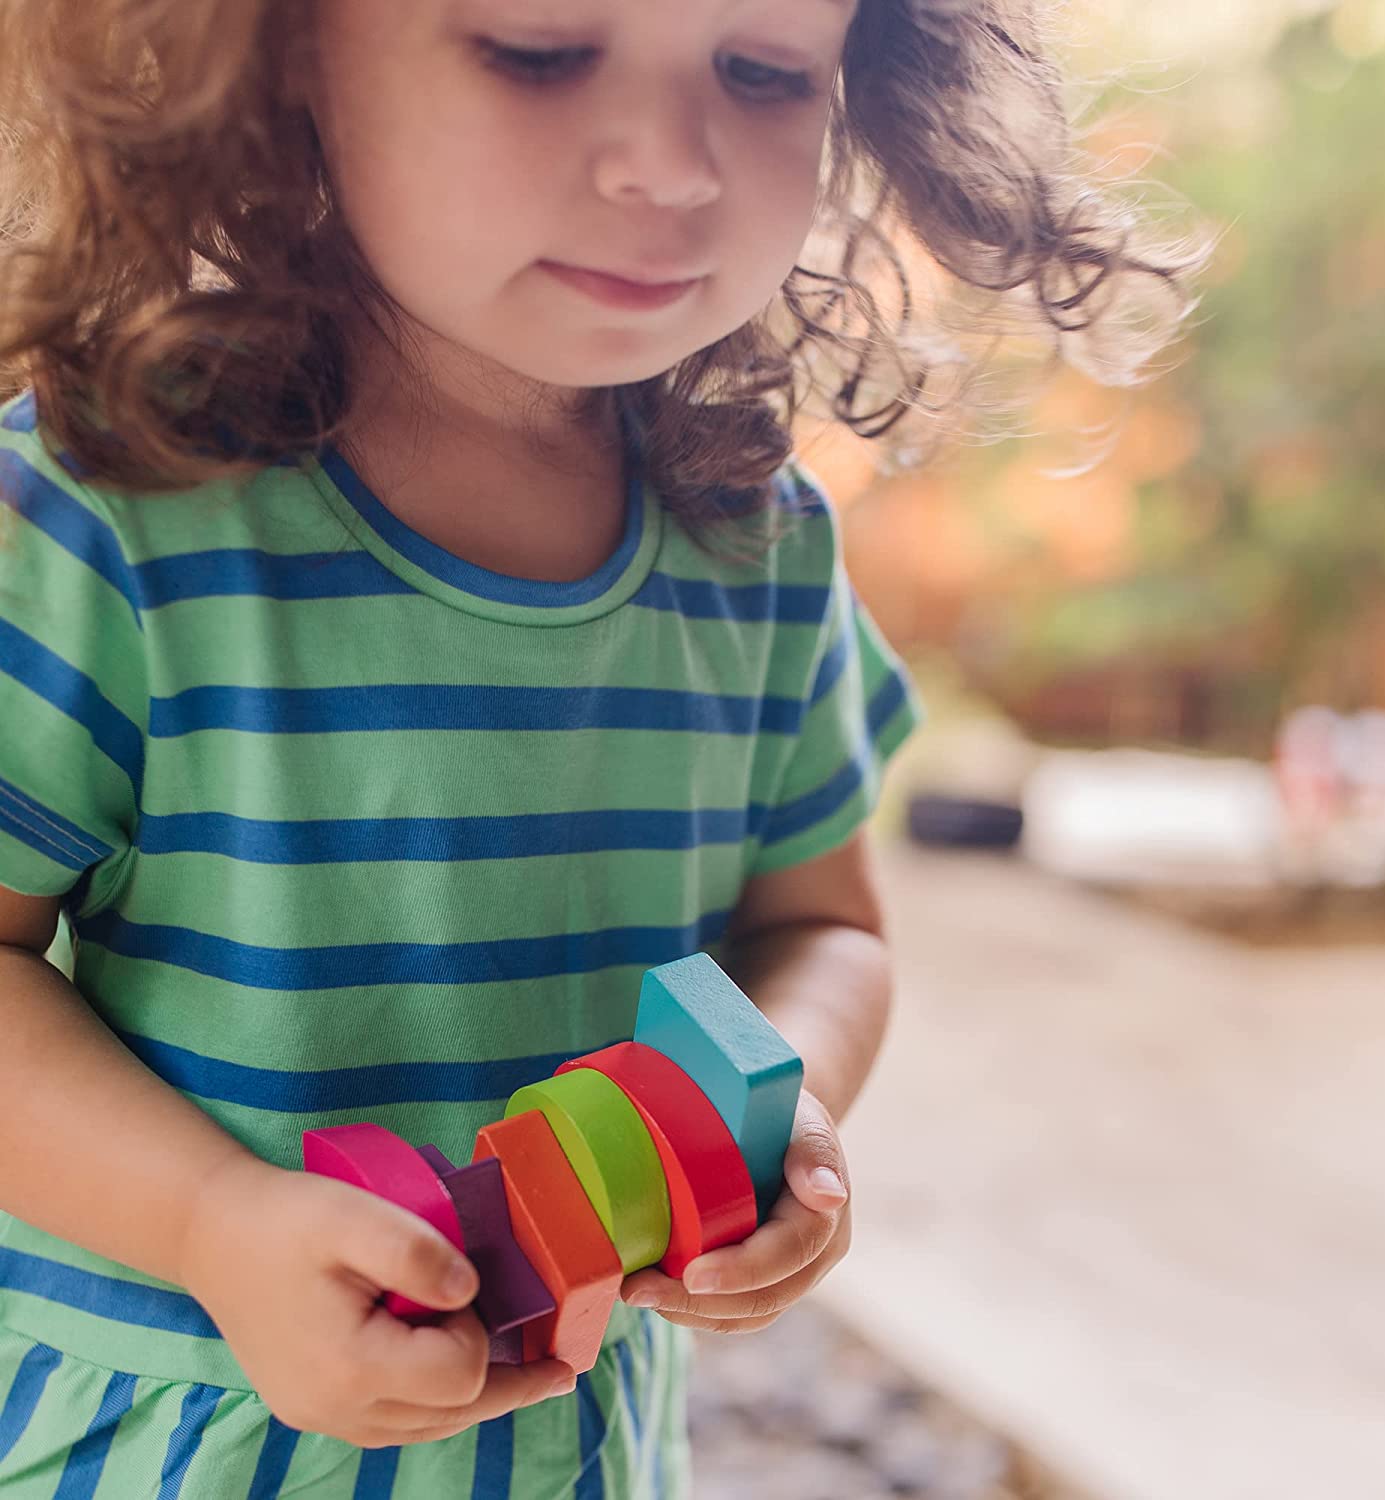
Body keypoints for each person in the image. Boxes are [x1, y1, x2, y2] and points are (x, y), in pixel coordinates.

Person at [0, 0, 1200, 1493]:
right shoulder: (103, 511)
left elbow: (822, 927)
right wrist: (203, 1223)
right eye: (539, 49)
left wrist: (783, 1111)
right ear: (286, 48)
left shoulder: (755, 551)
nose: (673, 162)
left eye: (763, 71)